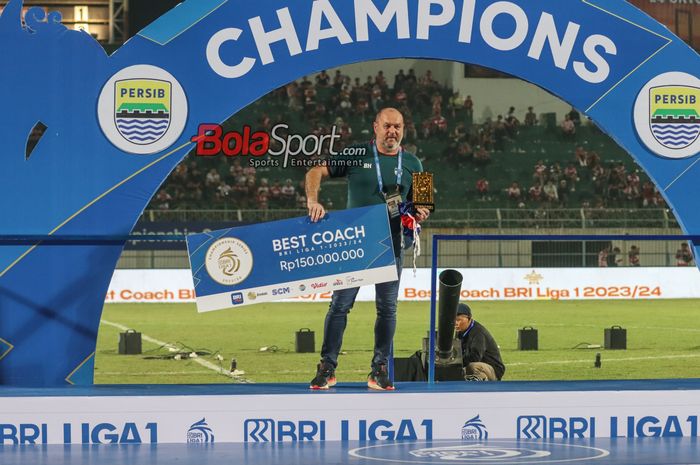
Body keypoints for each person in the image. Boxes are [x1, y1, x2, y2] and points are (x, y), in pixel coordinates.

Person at [305, 108, 430, 391]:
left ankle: (380, 369)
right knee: (339, 307)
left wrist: (422, 212)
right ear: (375, 127)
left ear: (403, 129)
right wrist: (313, 200)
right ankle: (327, 368)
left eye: (397, 126)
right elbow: (315, 170)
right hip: (355, 247)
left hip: (391, 246)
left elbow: (425, 203)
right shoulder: (355, 154)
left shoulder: (415, 163)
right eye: (387, 126)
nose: (392, 131)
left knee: (387, 309)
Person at [454, 303, 505, 381]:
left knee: (473, 366)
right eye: (454, 320)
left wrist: (456, 365)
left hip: (493, 369)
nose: (456, 323)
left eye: (459, 320)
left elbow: (475, 357)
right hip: (480, 365)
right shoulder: (461, 331)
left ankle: (480, 385)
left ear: (469, 318)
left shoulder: (478, 333)